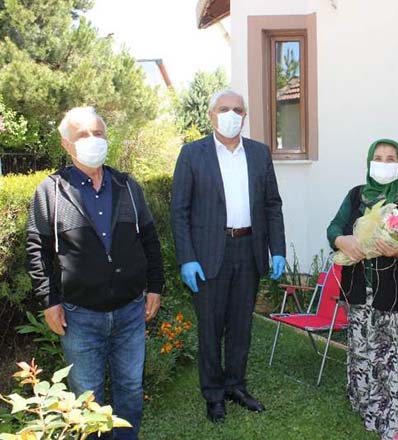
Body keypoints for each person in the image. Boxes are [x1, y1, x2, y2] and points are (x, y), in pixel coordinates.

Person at [26, 106, 164, 440]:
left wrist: (155, 287)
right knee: (86, 398)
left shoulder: (127, 186)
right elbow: (37, 250)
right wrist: (49, 302)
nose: (92, 140)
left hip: (130, 310)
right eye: (83, 134)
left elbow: (149, 239)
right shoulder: (51, 191)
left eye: (98, 133)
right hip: (80, 316)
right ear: (66, 143)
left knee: (130, 388)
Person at [171, 89, 286, 423]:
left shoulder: (259, 153)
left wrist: (277, 249)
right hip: (209, 253)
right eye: (224, 109)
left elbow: (272, 205)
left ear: (245, 116)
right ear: (211, 115)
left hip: (249, 249)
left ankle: (236, 385)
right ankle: (213, 394)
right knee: (210, 327)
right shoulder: (192, 154)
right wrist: (187, 257)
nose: (231, 115)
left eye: (237, 109)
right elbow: (179, 210)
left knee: (241, 326)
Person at [327, 139, 398, 440]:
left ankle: (393, 422)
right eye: (379, 158)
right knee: (363, 353)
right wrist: (342, 241)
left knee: (395, 357)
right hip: (360, 292)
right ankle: (368, 409)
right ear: (370, 162)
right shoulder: (356, 195)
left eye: (391, 158)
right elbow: (334, 228)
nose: (384, 163)